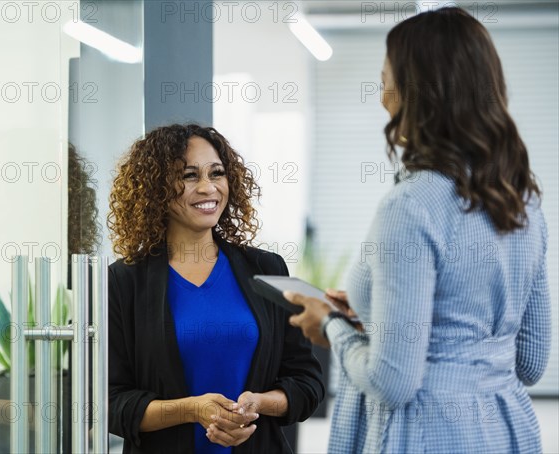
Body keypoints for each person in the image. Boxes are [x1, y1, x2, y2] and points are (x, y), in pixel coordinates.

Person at [285, 7, 551, 454]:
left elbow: (393, 382)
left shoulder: (411, 206)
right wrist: (374, 315)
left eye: (386, 78)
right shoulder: (523, 200)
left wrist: (331, 324)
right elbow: (529, 362)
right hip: (510, 432)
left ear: (419, 92)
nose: (381, 96)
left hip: (427, 434)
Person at [106, 123, 324, 454]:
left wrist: (257, 404)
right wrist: (191, 410)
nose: (208, 188)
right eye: (190, 175)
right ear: (156, 188)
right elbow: (110, 403)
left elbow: (307, 382)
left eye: (216, 173)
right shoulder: (124, 281)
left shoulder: (266, 269)